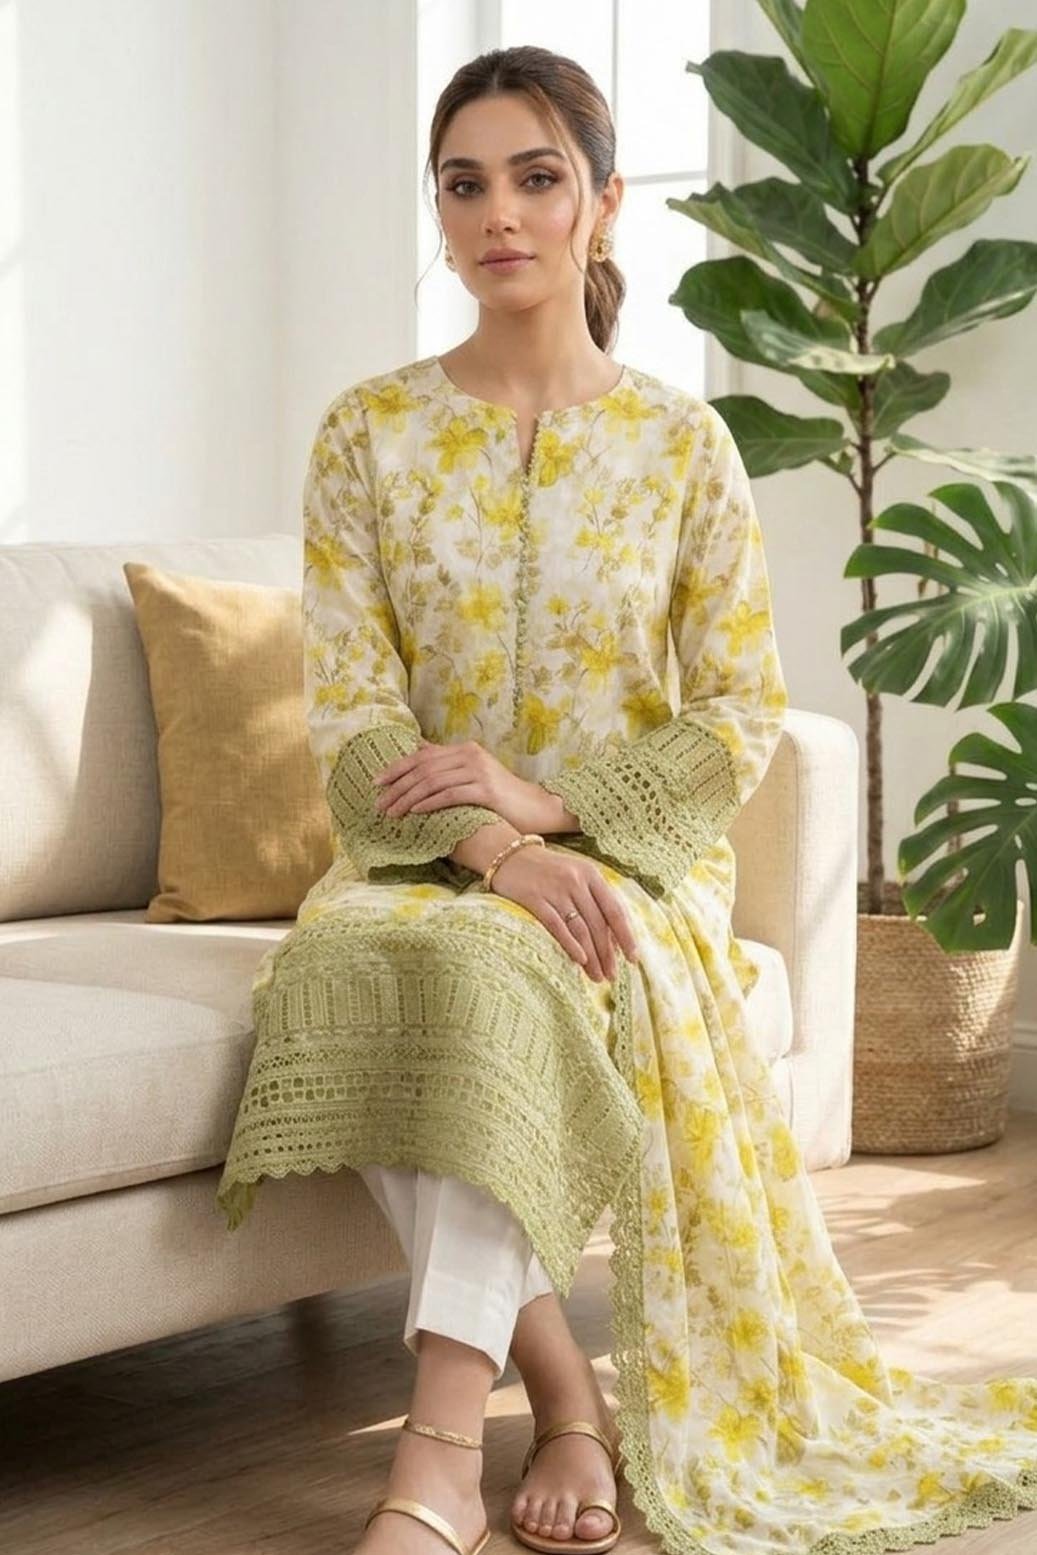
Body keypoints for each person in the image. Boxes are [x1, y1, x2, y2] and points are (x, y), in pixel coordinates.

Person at [216, 43, 1037, 1555]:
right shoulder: (365, 434)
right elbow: (352, 713)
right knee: (356, 970)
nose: (497, 215)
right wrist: (487, 846)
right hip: (411, 856)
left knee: (493, 975)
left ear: (599, 205)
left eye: (537, 179)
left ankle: (436, 1457)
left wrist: (549, 813)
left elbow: (737, 714)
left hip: (627, 857)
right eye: (464, 184)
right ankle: (565, 1398)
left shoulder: (680, 444)